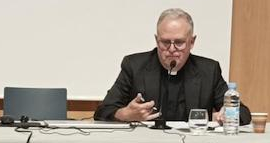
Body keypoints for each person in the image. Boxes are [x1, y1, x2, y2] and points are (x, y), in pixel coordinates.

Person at [94, 8, 251, 124]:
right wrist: (125, 114)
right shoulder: (134, 66)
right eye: (165, 42)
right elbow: (103, 111)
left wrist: (227, 115)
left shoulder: (209, 70)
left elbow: (244, 113)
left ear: (192, 42)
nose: (171, 49)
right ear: (157, 40)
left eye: (179, 43)